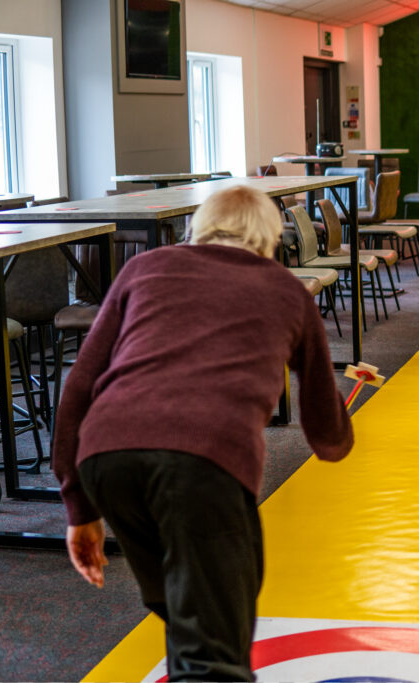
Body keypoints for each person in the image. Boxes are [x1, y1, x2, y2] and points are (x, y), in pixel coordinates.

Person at [53, 184, 354, 681]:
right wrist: (337, 440)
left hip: (108, 459)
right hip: (204, 462)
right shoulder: (285, 290)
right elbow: (325, 428)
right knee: (215, 653)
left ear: (199, 226)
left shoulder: (144, 268)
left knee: (185, 612)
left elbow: (79, 385)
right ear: (270, 238)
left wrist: (79, 508)